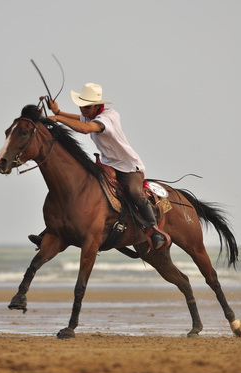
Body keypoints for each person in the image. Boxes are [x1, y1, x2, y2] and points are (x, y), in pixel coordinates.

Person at [29, 82, 165, 250]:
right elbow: (80, 119)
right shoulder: (90, 114)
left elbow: (86, 128)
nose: (82, 110)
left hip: (128, 167)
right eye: (81, 106)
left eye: (86, 108)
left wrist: (57, 119)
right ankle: (52, 231)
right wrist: (58, 112)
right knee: (80, 189)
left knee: (134, 192)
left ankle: (154, 229)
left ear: (97, 106)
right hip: (107, 164)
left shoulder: (108, 117)